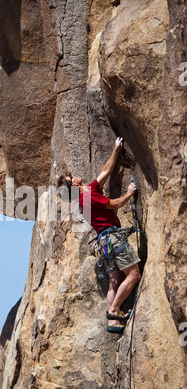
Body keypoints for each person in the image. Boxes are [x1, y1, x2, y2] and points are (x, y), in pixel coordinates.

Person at [58, 137, 141, 333]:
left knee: (114, 281)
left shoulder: (87, 192)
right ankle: (113, 311)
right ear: (73, 185)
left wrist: (116, 149)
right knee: (134, 275)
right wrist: (129, 194)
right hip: (112, 237)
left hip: (104, 243)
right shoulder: (86, 196)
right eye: (71, 177)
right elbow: (115, 204)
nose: (74, 175)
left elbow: (106, 171)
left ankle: (112, 322)